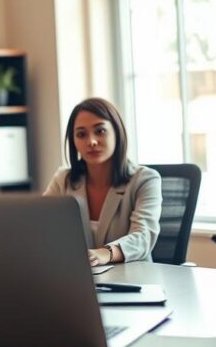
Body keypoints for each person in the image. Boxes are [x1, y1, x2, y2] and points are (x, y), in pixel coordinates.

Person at [43, 97, 161, 266]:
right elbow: (40, 227)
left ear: (117, 132)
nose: (91, 141)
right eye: (81, 134)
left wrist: (105, 253)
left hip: (132, 280)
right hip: (78, 280)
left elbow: (143, 237)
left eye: (100, 131)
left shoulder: (145, 180)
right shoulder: (64, 180)